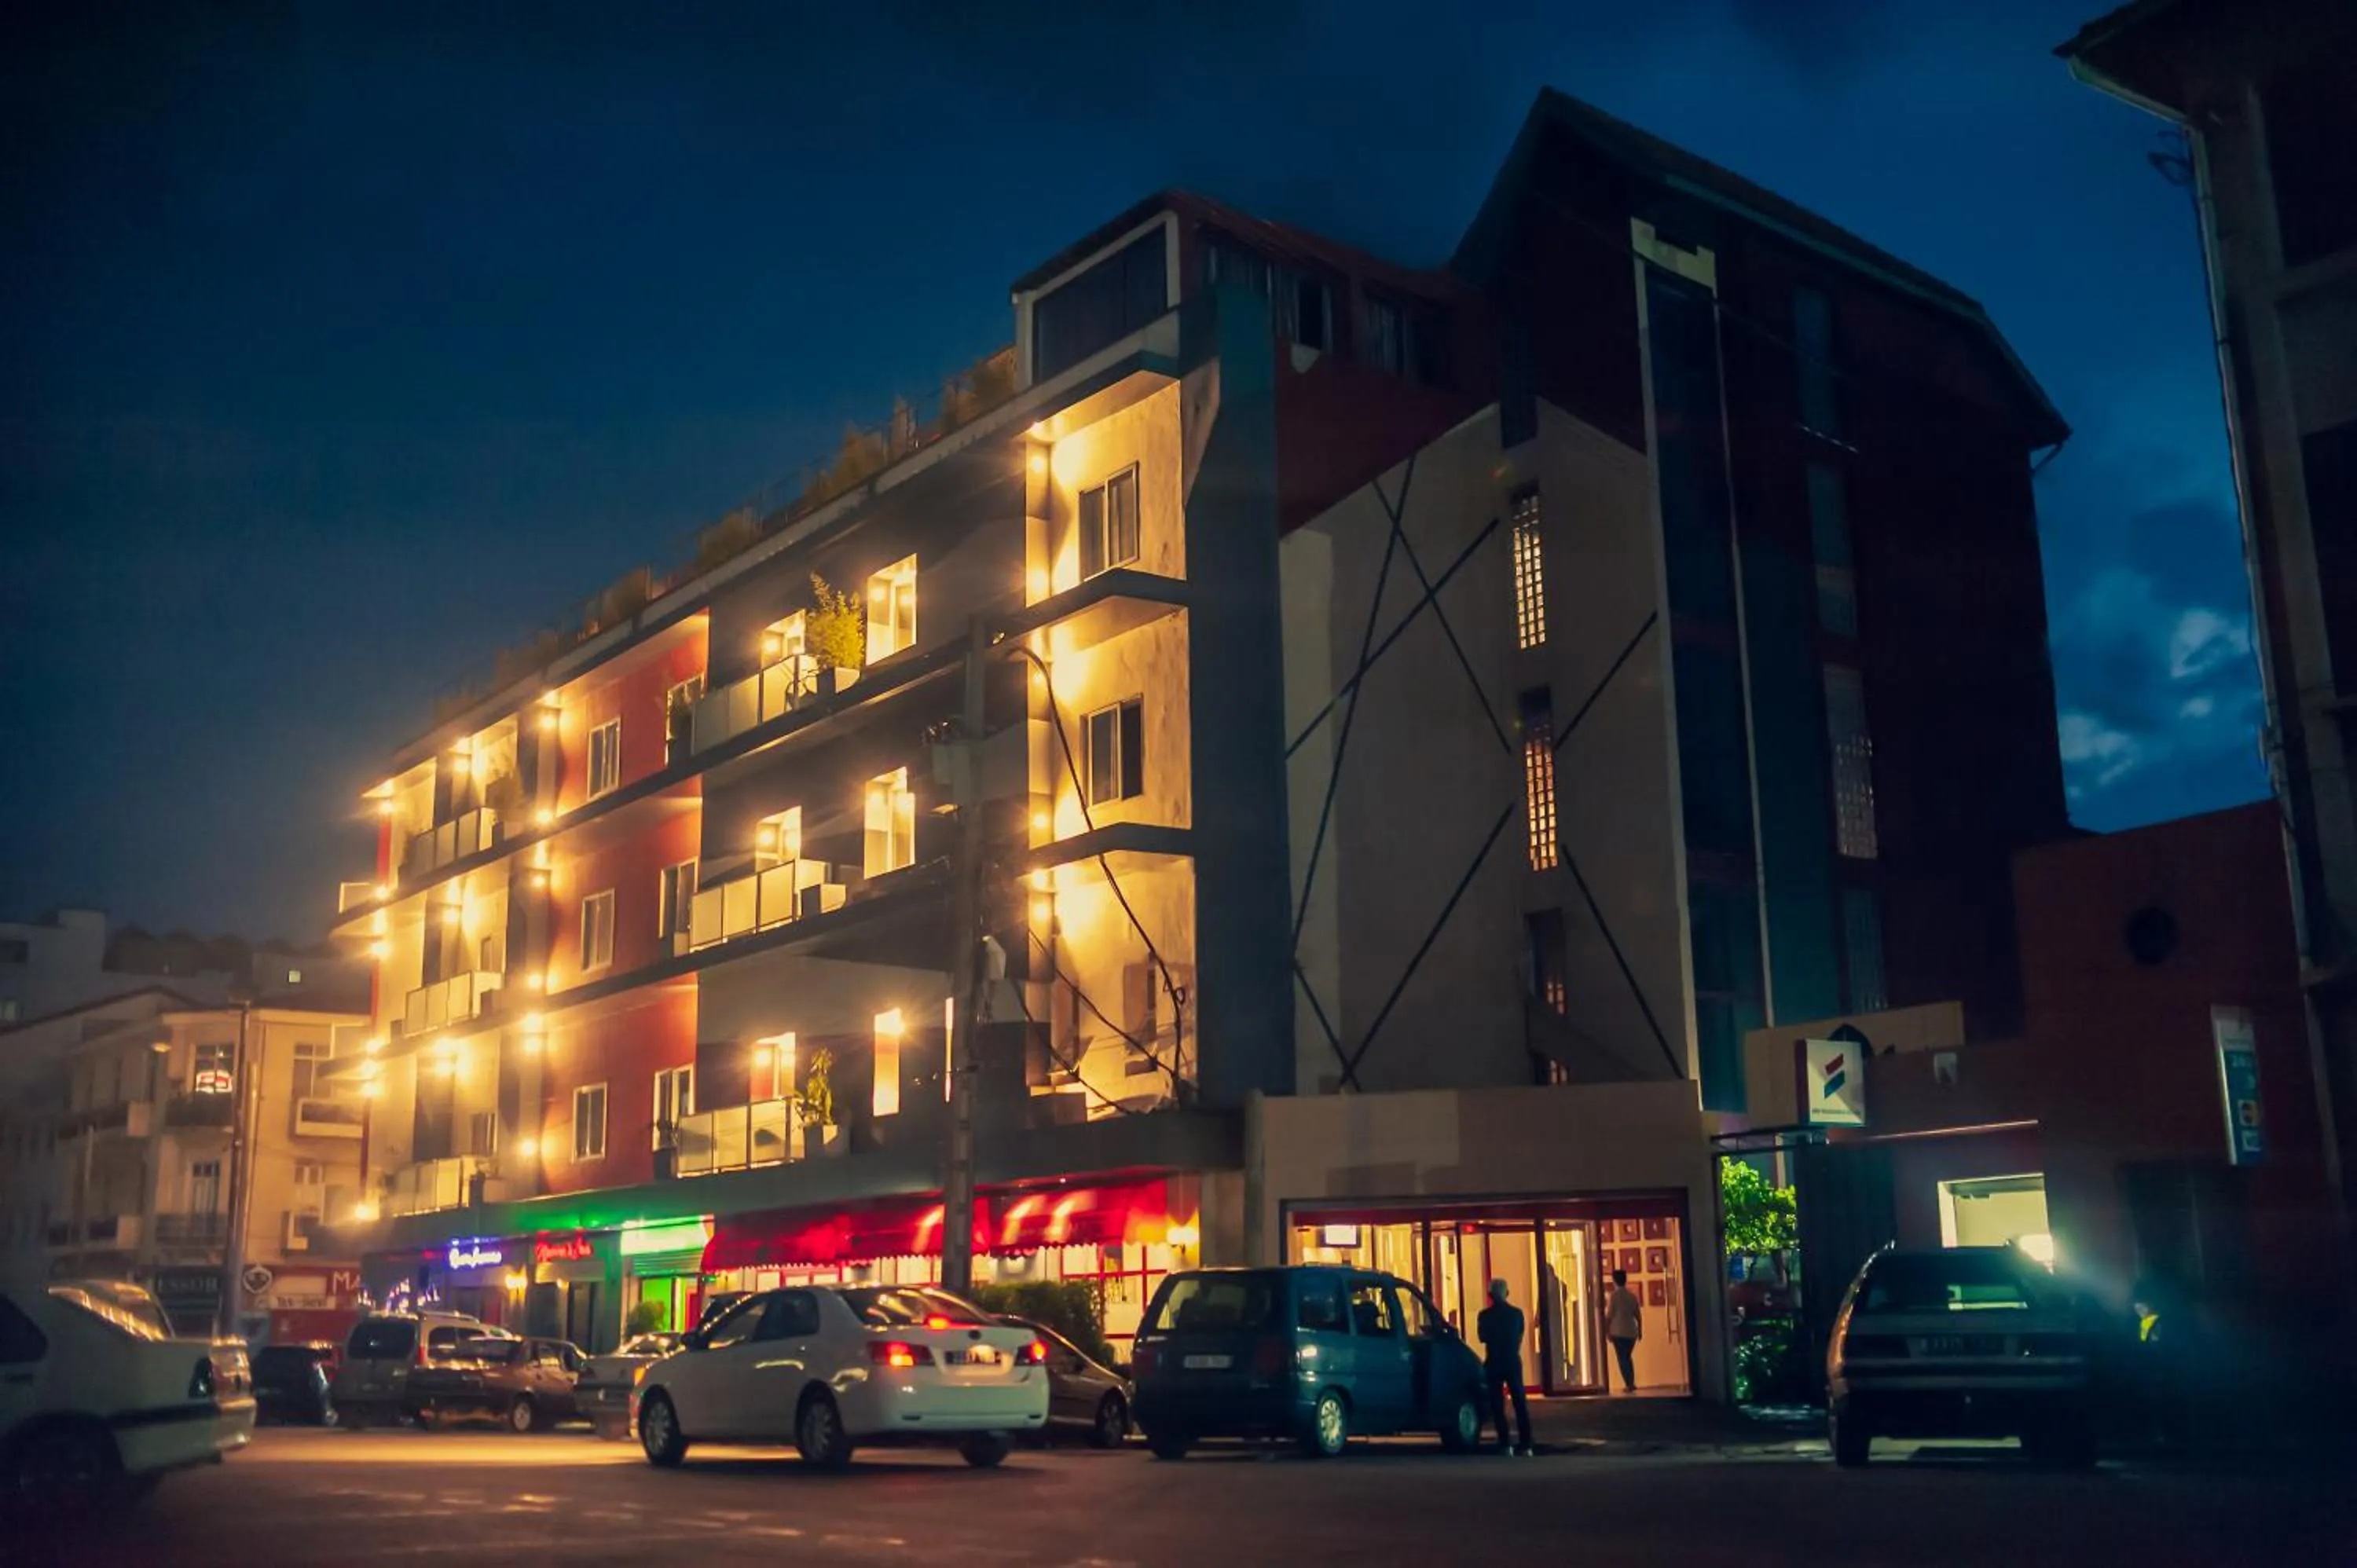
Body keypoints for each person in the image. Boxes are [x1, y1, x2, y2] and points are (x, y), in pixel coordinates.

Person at [1475, 1278, 1534, 1456]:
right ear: (1507, 1293)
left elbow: (1482, 1337)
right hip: (1512, 1360)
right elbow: (1520, 1334)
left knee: (1497, 1404)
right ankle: (1526, 1443)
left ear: (1490, 1295)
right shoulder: (1517, 1314)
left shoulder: (1485, 1315)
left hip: (1494, 1361)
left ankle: (1505, 1443)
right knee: (1519, 1402)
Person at [1606, 1269, 1642, 1393]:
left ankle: (1629, 1384)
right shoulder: (1632, 1296)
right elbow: (1637, 1314)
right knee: (1627, 1357)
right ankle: (1631, 1382)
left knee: (1622, 1359)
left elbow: (1609, 1315)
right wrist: (1640, 1330)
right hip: (1631, 1331)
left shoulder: (1614, 1296)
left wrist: (1607, 1331)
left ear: (1614, 1280)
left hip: (1618, 1331)